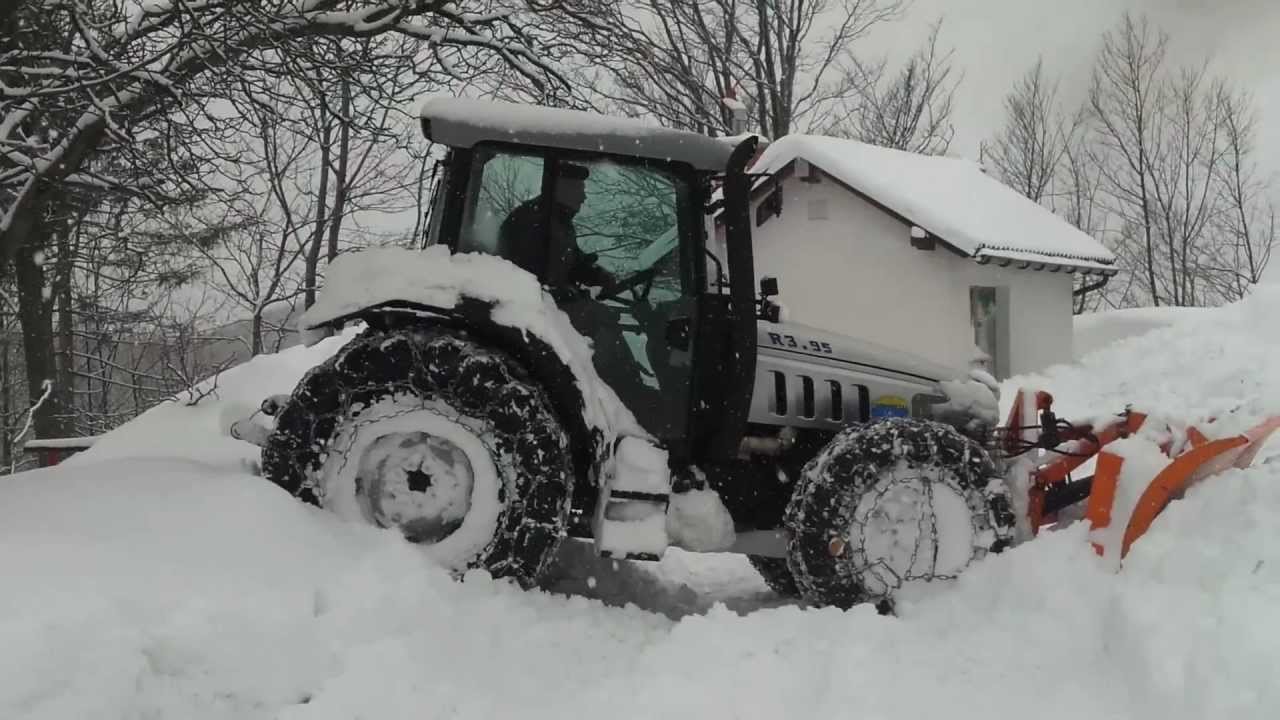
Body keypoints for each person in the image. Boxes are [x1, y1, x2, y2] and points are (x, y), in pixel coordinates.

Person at [497, 162, 615, 291]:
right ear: (564, 190)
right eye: (579, 190)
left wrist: (597, 275)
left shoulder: (561, 222)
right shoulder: (531, 220)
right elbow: (527, 272)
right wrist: (559, 292)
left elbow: (571, 263)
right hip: (532, 304)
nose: (583, 197)